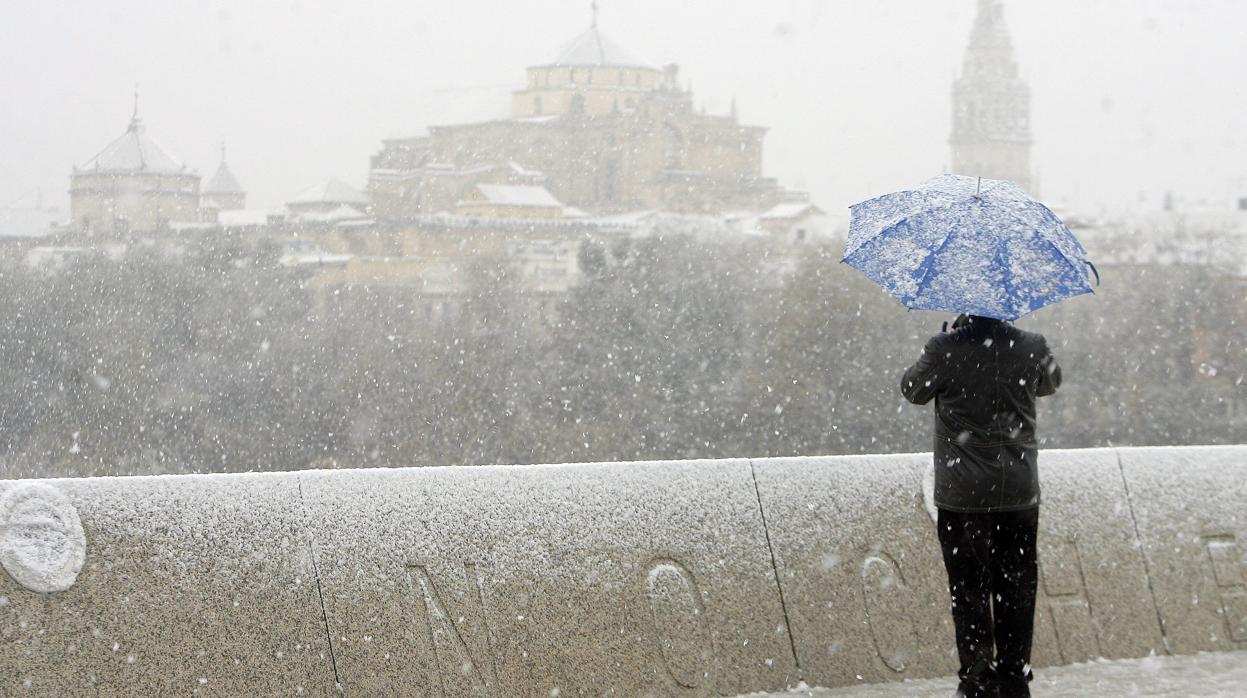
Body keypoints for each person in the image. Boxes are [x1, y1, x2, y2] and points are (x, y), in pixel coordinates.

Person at [901, 313, 1061, 698]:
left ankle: (976, 678)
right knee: (1018, 585)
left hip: (963, 496)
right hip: (1018, 492)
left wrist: (943, 345)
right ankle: (1014, 676)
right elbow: (1051, 382)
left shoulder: (944, 348)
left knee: (969, 587)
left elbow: (912, 389)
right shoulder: (1032, 345)